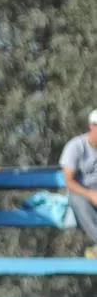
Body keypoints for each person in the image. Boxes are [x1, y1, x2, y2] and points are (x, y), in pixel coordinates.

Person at [58, 110, 97, 258]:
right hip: (81, 191)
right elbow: (69, 182)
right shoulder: (75, 147)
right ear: (91, 127)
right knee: (78, 200)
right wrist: (91, 194)